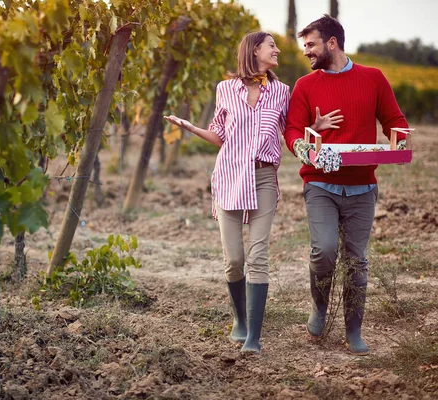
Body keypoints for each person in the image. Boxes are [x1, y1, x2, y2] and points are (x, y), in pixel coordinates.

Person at [164, 31, 337, 355]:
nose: (277, 51)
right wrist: (189, 127)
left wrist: (315, 127)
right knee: (234, 261)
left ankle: (253, 339)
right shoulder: (225, 89)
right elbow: (219, 135)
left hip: (263, 178)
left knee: (257, 258)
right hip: (230, 176)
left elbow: (291, 130)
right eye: (271, 45)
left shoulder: (281, 92)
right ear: (254, 50)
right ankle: (240, 321)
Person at [284, 14, 409, 355]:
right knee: (323, 250)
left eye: (310, 45)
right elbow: (293, 129)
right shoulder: (305, 86)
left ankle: (353, 330)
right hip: (321, 185)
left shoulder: (373, 78)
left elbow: (394, 120)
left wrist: (398, 140)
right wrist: (304, 145)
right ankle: (320, 309)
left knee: (356, 261)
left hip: (362, 188)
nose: (307, 52)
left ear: (332, 43)